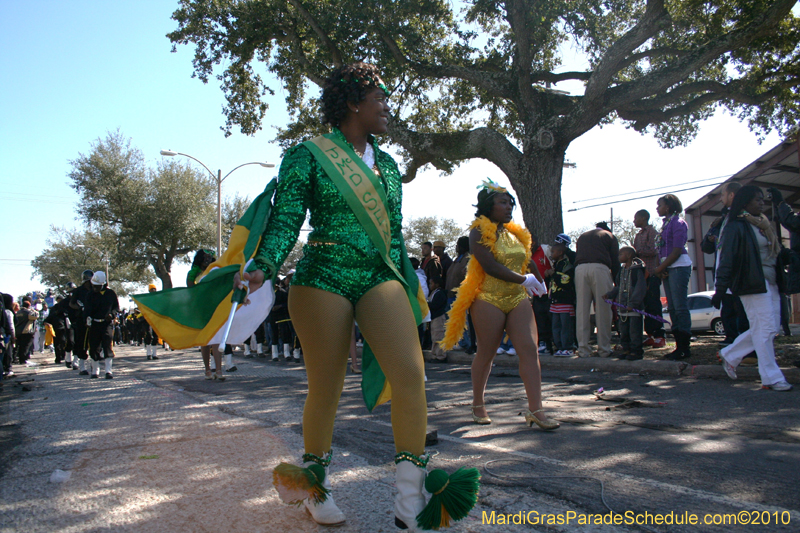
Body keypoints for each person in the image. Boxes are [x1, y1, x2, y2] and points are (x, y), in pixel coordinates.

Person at [236, 63, 477, 530]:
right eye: (379, 97)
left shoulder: (387, 165)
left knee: (411, 373)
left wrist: (408, 282)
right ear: (353, 103)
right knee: (326, 385)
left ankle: (410, 497)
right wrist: (262, 268)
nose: (387, 106)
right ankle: (316, 483)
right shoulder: (306, 155)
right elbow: (286, 221)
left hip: (377, 276)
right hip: (322, 275)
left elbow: (393, 233)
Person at [442, 181, 558, 431]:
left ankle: (536, 410)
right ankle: (477, 404)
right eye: (502, 203)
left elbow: (526, 259)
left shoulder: (516, 233)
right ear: (488, 206)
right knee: (487, 352)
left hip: (517, 298)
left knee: (529, 349)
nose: (508, 207)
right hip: (488, 298)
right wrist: (523, 280)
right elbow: (490, 266)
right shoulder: (477, 233)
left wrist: (537, 279)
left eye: (510, 203)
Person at [713, 185, 792, 391]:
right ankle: (771, 377)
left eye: (762, 199)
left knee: (770, 328)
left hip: (771, 280)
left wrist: (785, 255)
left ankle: (730, 355)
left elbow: (773, 251)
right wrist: (720, 290)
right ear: (745, 202)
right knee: (765, 329)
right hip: (750, 283)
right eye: (757, 199)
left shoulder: (762, 224)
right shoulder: (734, 225)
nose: (761, 202)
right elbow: (726, 259)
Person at [701, 182, 749, 346]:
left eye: (722, 194)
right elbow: (705, 247)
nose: (721, 198)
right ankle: (730, 339)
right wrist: (710, 239)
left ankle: (745, 347)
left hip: (739, 276)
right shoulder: (721, 221)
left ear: (732, 196)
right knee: (727, 310)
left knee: (742, 312)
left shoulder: (743, 219)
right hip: (723, 274)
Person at [653, 194, 693, 360]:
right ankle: (678, 347)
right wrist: (661, 268)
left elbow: (676, 250)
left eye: (659, 205)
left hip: (678, 267)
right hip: (668, 268)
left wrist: (660, 268)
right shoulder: (665, 225)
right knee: (673, 308)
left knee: (680, 306)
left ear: (668, 207)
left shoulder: (678, 223)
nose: (657, 208)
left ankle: (684, 347)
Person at [574, 224, 619, 357]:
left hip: (580, 269)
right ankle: (604, 349)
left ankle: (583, 349)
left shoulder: (583, 237)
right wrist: (618, 282)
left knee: (582, 310)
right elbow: (615, 260)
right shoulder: (609, 236)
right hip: (600, 268)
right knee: (603, 309)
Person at [604, 246, 647, 360]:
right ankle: (626, 349)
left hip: (633, 309)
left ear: (628, 255)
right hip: (622, 308)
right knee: (624, 331)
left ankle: (636, 351)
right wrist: (610, 294)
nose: (618, 257)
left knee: (634, 331)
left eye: (620, 254)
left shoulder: (637, 271)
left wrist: (633, 303)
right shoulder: (622, 271)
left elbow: (640, 288)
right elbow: (618, 286)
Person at [633, 209, 667, 348]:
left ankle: (660, 336)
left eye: (636, 218)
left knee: (654, 305)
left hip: (652, 274)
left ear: (643, 218)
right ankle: (650, 335)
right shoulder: (638, 235)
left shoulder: (652, 232)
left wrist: (637, 252)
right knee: (645, 306)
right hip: (641, 276)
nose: (634, 221)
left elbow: (654, 250)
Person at [186, 249, 220, 379]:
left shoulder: (215, 270)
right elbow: (191, 291)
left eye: (209, 258)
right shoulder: (193, 273)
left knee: (216, 338)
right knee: (205, 341)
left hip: (215, 307)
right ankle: (207, 370)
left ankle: (219, 370)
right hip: (200, 309)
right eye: (205, 257)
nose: (207, 260)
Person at [84, 271, 119, 378]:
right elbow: (86, 310)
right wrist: (87, 318)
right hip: (94, 324)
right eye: (93, 285)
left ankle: (108, 371)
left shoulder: (110, 294)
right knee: (94, 347)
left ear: (103, 284)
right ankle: (95, 370)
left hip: (106, 324)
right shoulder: (90, 294)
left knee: (107, 345)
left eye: (97, 286)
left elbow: (116, 308)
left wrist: (112, 315)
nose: (94, 288)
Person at [445, 236, 476, 353]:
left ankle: (468, 343)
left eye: (458, 245)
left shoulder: (468, 258)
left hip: (461, 294)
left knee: (464, 321)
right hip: (451, 295)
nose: (456, 247)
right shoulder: (457, 259)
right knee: (455, 320)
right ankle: (461, 342)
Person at [549, 234, 577, 357]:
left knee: (566, 326)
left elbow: (565, 281)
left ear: (560, 252)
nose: (551, 254)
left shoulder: (566, 265)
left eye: (553, 252)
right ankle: (559, 346)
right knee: (556, 326)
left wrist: (553, 274)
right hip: (555, 301)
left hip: (565, 301)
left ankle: (568, 347)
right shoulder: (555, 264)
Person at [529, 234, 554, 355]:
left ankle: (553, 343)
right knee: (540, 318)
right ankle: (543, 342)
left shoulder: (544, 250)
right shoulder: (527, 255)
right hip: (536, 293)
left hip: (550, 291)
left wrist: (552, 271)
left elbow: (554, 262)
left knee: (551, 317)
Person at [69, 270, 95, 375]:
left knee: (94, 342)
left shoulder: (95, 290)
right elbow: (71, 304)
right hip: (82, 319)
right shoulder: (78, 291)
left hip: (94, 318)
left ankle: (94, 364)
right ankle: (82, 366)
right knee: (82, 342)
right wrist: (80, 308)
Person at [427, 275, 447, 362]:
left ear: (437, 284)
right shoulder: (434, 293)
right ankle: (434, 355)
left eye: (431, 283)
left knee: (439, 337)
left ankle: (440, 356)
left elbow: (435, 305)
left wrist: (427, 304)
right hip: (434, 318)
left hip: (439, 318)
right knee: (434, 337)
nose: (430, 285)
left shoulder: (440, 293)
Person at [14, 299, 38, 366]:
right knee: (26, 346)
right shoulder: (28, 312)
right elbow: (36, 316)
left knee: (21, 346)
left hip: (18, 331)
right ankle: (24, 360)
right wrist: (33, 310)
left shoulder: (18, 312)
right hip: (26, 331)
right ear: (29, 305)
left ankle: (21, 359)